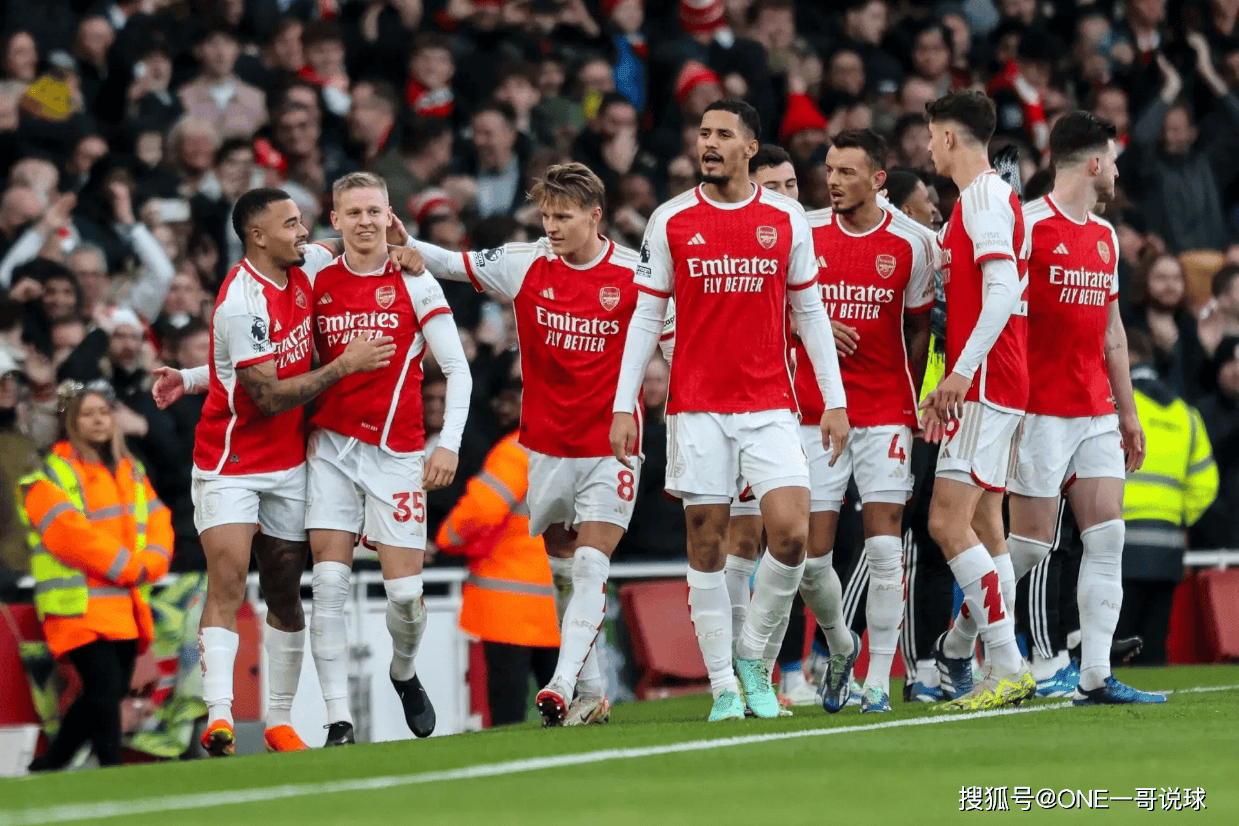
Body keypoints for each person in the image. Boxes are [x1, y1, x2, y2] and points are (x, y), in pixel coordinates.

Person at [610, 98, 849, 721]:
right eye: (703, 133)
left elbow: (810, 312)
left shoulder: (785, 217)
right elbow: (645, 318)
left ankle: (751, 658)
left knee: (791, 536)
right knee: (707, 543)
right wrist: (624, 405)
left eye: (722, 134)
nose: (709, 143)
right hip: (697, 408)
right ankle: (723, 686)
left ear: (750, 147)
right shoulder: (670, 219)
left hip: (770, 403)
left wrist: (835, 400)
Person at [151, 188, 394, 756]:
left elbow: (347, 243)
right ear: (257, 236)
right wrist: (344, 365)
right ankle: (219, 717)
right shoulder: (242, 302)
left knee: (284, 589)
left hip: (289, 464)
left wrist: (399, 247)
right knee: (229, 578)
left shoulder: (303, 265)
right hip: (230, 462)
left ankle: (279, 722)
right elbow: (266, 396)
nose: (302, 231)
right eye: (291, 223)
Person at [400, 162, 643, 728]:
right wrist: (404, 244)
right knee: (564, 570)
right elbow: (453, 263)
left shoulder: (636, 273)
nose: (551, 227)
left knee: (591, 563)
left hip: (611, 444)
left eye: (564, 217)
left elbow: (679, 339)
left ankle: (560, 682)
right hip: (546, 444)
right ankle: (591, 691)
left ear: (595, 216)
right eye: (546, 216)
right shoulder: (524, 261)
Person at [999, 111, 1164, 705]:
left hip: (1094, 409)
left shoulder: (1105, 236)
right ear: (1094, 163)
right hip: (1038, 409)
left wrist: (1127, 413)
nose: (1117, 171)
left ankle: (1094, 672)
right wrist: (1006, 408)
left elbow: (1113, 334)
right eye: (1113, 161)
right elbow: (1001, 320)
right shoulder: (1026, 226)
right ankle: (965, 637)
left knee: (1108, 534)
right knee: (1029, 546)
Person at [304, 172, 470, 746]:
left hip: (397, 453)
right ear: (335, 219)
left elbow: (459, 370)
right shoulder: (316, 275)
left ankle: (403, 671)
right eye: (353, 213)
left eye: (374, 211)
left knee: (405, 599)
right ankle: (338, 720)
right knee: (328, 584)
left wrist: (447, 443)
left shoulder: (415, 279)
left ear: (389, 214)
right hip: (329, 448)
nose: (365, 222)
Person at [797, 129, 934, 714]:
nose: (833, 181)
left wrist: (911, 397)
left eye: (847, 172)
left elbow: (920, 327)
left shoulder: (913, 244)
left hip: (884, 412)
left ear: (878, 179)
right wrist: (811, 322)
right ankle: (840, 643)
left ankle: (878, 680)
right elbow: (774, 306)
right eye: (830, 170)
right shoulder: (804, 232)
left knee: (884, 551)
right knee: (810, 560)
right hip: (817, 411)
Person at [919, 90, 1035, 710]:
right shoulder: (982, 200)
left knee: (946, 523)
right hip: (1001, 380)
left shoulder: (984, 198)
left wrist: (960, 375)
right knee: (988, 528)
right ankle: (992, 661)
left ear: (950, 137)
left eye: (931, 136)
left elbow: (1002, 292)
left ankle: (1006, 664)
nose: (928, 147)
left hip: (986, 384)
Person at [19, 380, 172, 770]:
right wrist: (130, 567)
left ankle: (52, 763)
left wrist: (150, 563)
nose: (99, 420)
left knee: (108, 691)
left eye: (104, 412)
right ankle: (110, 767)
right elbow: (70, 535)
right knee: (104, 689)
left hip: (122, 604)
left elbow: (158, 519)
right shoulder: (51, 473)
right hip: (78, 605)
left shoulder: (130, 470)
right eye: (88, 414)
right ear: (71, 422)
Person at [434, 374, 561, 728]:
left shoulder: (516, 451)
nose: (502, 408)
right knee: (563, 714)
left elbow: (481, 511)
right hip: (559, 605)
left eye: (511, 401)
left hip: (508, 606)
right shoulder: (567, 451)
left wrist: (445, 539)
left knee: (508, 716)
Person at [1117, 330, 1217, 665]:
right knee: (1153, 643)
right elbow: (1207, 482)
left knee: (1115, 643)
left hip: (1118, 541)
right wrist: (1177, 515)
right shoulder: (1185, 413)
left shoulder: (1116, 406)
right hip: (1168, 545)